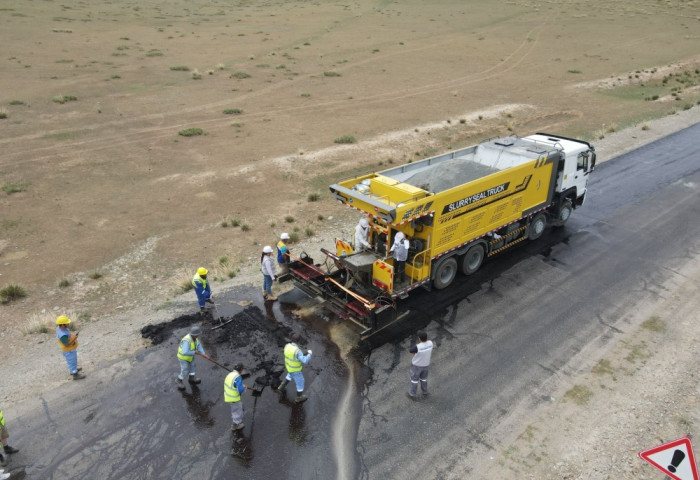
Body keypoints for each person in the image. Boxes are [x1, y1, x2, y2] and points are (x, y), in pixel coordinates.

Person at [277, 333, 312, 403]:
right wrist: (309, 354)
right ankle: (299, 397)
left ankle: (281, 387)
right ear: (299, 341)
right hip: (295, 370)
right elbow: (304, 361)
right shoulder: (297, 351)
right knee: (300, 382)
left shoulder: (287, 346)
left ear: (292, 339)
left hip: (289, 367)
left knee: (289, 376)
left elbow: (293, 356)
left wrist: (303, 354)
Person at [176, 326, 209, 390]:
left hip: (190, 357)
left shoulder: (195, 339)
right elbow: (185, 352)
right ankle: (179, 380)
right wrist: (194, 352)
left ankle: (191, 378)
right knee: (185, 370)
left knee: (193, 367)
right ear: (194, 334)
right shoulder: (186, 340)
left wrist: (204, 354)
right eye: (197, 334)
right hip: (183, 358)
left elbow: (199, 346)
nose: (198, 336)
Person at [56, 315, 85, 380]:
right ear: (62, 325)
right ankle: (75, 374)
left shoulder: (59, 328)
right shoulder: (62, 335)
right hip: (69, 350)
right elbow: (66, 344)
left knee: (72, 361)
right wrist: (74, 338)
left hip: (70, 350)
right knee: (72, 361)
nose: (68, 323)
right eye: (67, 323)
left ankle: (73, 369)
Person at [408, 330, 433, 399]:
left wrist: (415, 355)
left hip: (417, 366)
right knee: (424, 379)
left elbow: (411, 350)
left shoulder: (418, 347)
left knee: (414, 380)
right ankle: (425, 392)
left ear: (419, 338)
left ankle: (412, 394)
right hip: (426, 365)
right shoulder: (431, 343)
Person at [224, 363, 249, 431]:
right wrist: (244, 388)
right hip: (234, 397)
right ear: (240, 370)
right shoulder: (238, 377)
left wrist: (241, 385)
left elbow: (233, 384)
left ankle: (235, 422)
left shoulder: (230, 374)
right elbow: (240, 390)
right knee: (237, 411)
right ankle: (236, 424)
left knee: (235, 409)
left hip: (228, 396)